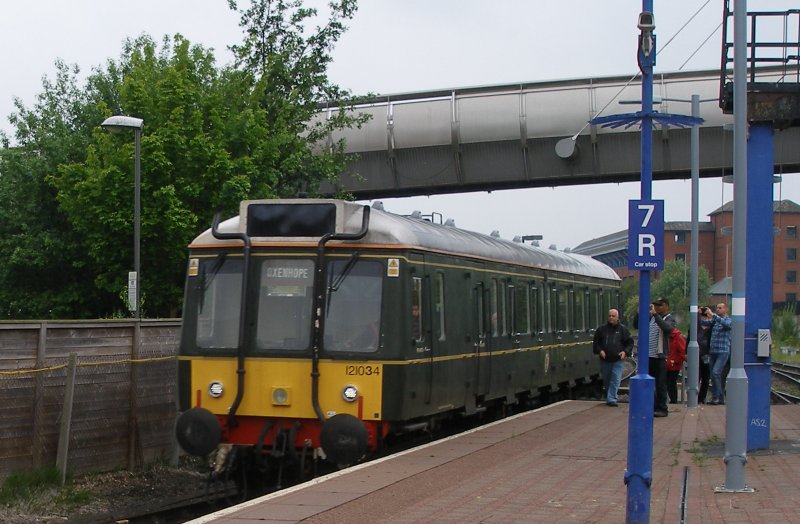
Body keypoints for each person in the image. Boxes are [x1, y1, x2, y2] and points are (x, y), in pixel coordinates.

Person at [592, 308, 634, 407]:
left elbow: (629, 342)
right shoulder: (601, 329)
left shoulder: (623, 330)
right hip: (605, 359)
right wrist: (600, 350)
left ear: (617, 317)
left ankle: (611, 399)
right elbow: (596, 343)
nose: (611, 318)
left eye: (613, 316)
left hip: (617, 359)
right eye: (610, 316)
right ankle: (609, 395)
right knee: (607, 379)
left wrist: (625, 352)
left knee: (615, 379)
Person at [701, 302, 732, 405]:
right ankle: (718, 397)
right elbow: (704, 323)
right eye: (717, 308)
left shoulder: (728, 320)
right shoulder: (715, 320)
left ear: (726, 309)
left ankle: (718, 397)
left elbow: (727, 325)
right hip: (713, 352)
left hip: (723, 352)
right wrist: (698, 314)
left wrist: (712, 314)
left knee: (716, 373)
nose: (718, 309)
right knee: (713, 375)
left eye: (720, 308)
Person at [649, 297, 675, 417]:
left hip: (659, 356)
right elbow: (636, 324)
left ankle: (662, 408)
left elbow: (667, 328)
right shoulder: (651, 318)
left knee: (660, 384)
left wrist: (656, 315)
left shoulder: (669, 318)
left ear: (666, 306)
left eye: (660, 305)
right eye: (656, 305)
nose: (657, 307)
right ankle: (652, 406)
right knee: (650, 383)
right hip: (648, 356)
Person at [696, 312, 712, 404]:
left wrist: (711, 315)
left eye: (705, 316)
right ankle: (694, 396)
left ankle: (702, 398)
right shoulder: (696, 328)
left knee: (706, 378)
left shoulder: (711, 328)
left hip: (707, 355)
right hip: (697, 355)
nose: (704, 318)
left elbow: (714, 322)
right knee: (696, 376)